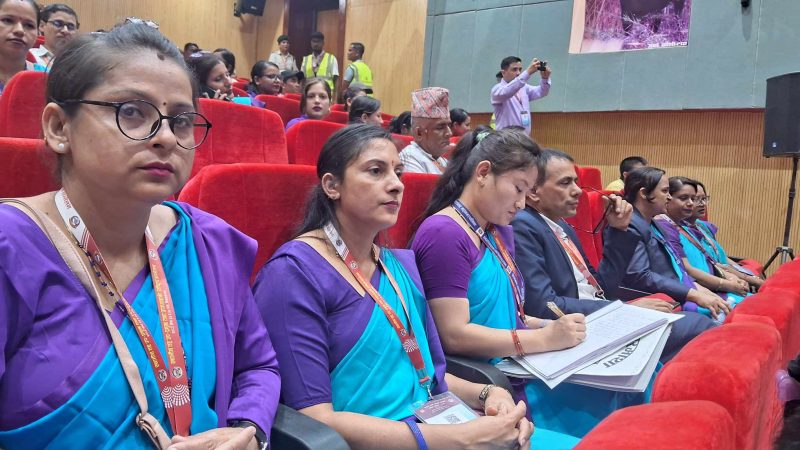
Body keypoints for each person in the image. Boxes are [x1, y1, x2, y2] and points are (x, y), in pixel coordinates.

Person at [0, 23, 279, 450]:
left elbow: (258, 367)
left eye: (180, 121)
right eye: (132, 111)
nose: (166, 137)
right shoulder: (11, 246)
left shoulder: (206, 242)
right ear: (59, 128)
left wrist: (247, 430)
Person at [253, 124, 534, 450]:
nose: (396, 184)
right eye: (376, 171)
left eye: (398, 172)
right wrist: (461, 439)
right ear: (332, 185)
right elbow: (316, 419)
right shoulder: (292, 275)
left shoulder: (398, 266)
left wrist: (489, 394)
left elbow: (426, 379)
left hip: (430, 427)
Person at [411, 130, 651, 440]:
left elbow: (511, 315)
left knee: (633, 384)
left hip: (520, 361)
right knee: (611, 411)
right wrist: (543, 338)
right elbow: (453, 335)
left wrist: (554, 326)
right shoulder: (445, 232)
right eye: (518, 188)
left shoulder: (497, 230)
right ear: (483, 172)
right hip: (492, 376)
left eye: (527, 192)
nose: (522, 204)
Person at [511, 150, 715, 363]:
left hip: (599, 314)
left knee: (697, 325)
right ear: (533, 191)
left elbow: (602, 287)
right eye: (565, 183)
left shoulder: (562, 225)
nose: (578, 190)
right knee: (699, 326)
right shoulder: (524, 225)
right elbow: (544, 305)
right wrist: (622, 310)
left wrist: (619, 231)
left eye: (576, 182)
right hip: (576, 328)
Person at [615, 167, 731, 318]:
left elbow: (677, 267)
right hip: (661, 296)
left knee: (730, 307)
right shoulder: (629, 225)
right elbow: (640, 276)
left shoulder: (654, 223)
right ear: (644, 193)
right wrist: (693, 294)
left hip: (680, 289)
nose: (669, 197)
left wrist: (697, 289)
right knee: (720, 317)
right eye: (665, 191)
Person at [655, 177, 749, 317]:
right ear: (668, 198)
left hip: (705, 287)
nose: (691, 203)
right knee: (745, 309)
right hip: (688, 291)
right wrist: (724, 284)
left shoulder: (688, 226)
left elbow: (713, 260)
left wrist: (732, 277)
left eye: (694, 199)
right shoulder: (664, 225)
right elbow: (685, 271)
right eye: (684, 198)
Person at [687, 181, 764, 289]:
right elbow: (709, 264)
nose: (703, 204)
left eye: (704, 198)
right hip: (714, 280)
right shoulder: (679, 231)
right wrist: (746, 278)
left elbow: (720, 256)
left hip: (729, 272)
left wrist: (746, 274)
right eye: (696, 199)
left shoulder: (704, 226)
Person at [491, 56, 551, 135]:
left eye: (520, 69)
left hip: (524, 138)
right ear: (503, 72)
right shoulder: (497, 90)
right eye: (514, 69)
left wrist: (545, 79)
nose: (518, 73)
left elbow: (542, 92)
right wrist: (527, 72)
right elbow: (509, 90)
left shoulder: (523, 87)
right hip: (506, 140)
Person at [399, 87, 452, 175]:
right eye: (440, 127)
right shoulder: (410, 158)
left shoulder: (442, 160)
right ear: (419, 133)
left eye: (449, 125)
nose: (449, 133)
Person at [0, 0, 46, 96]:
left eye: (29, 25)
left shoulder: (46, 78)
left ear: (37, 33)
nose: (19, 30)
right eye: (8, 20)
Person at [31, 3, 79, 67]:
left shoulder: (80, 62)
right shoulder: (29, 56)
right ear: (42, 26)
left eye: (70, 27)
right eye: (58, 24)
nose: (65, 30)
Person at [301, 31, 338, 98]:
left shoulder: (331, 59)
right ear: (311, 43)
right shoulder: (305, 59)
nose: (316, 44)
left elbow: (336, 80)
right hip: (310, 95)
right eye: (314, 41)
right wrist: (302, 96)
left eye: (318, 41)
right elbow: (303, 80)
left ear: (323, 43)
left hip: (326, 95)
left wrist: (335, 98)